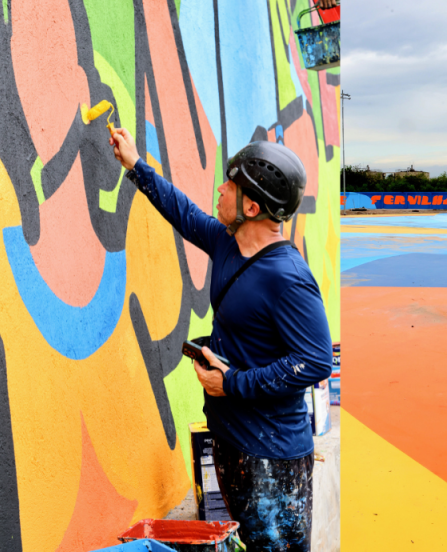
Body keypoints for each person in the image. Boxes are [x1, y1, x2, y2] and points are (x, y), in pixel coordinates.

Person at [109, 129, 333, 550]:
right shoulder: (229, 244)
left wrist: (231, 384)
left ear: (251, 206)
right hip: (233, 443)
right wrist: (136, 166)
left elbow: (315, 361)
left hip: (273, 459)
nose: (220, 188)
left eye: (229, 184)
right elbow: (185, 214)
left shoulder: (287, 278)